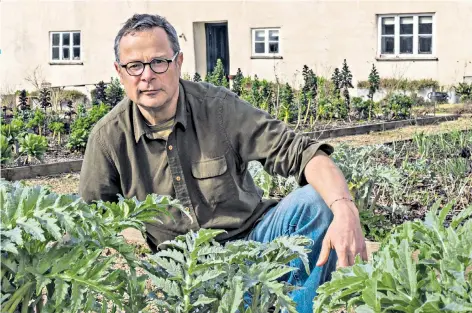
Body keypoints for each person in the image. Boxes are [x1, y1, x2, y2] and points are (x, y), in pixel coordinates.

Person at [79, 13, 367, 312]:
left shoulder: (218, 108)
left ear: (178, 62)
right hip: (188, 275)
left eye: (158, 62)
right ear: (120, 72)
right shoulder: (108, 139)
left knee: (316, 202)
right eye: (134, 66)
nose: (147, 75)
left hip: (253, 242)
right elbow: (87, 222)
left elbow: (302, 152)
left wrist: (344, 207)